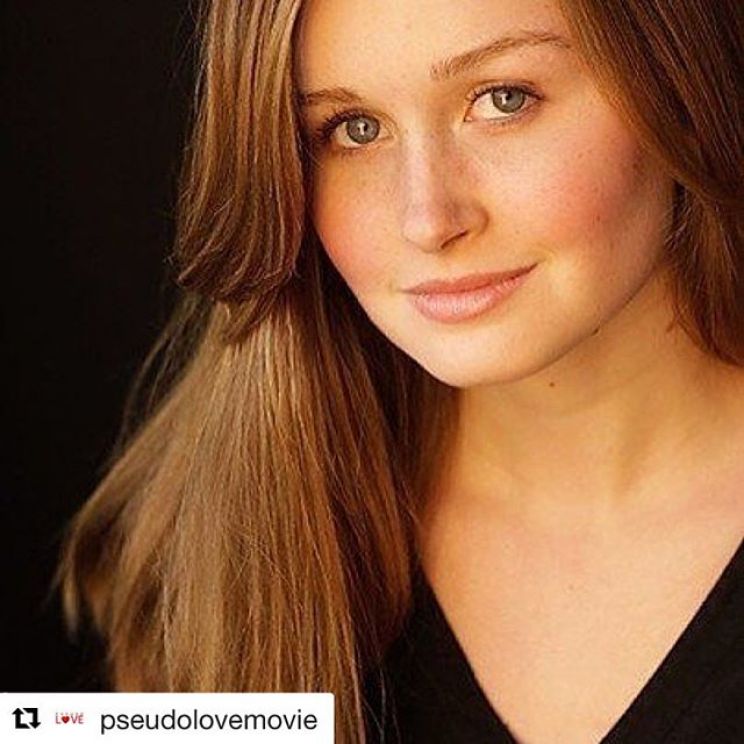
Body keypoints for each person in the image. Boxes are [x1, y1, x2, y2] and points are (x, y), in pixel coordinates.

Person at [58, 0, 744, 742]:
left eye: (503, 100)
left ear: (675, 82)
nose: (427, 219)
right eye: (354, 129)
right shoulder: (210, 555)